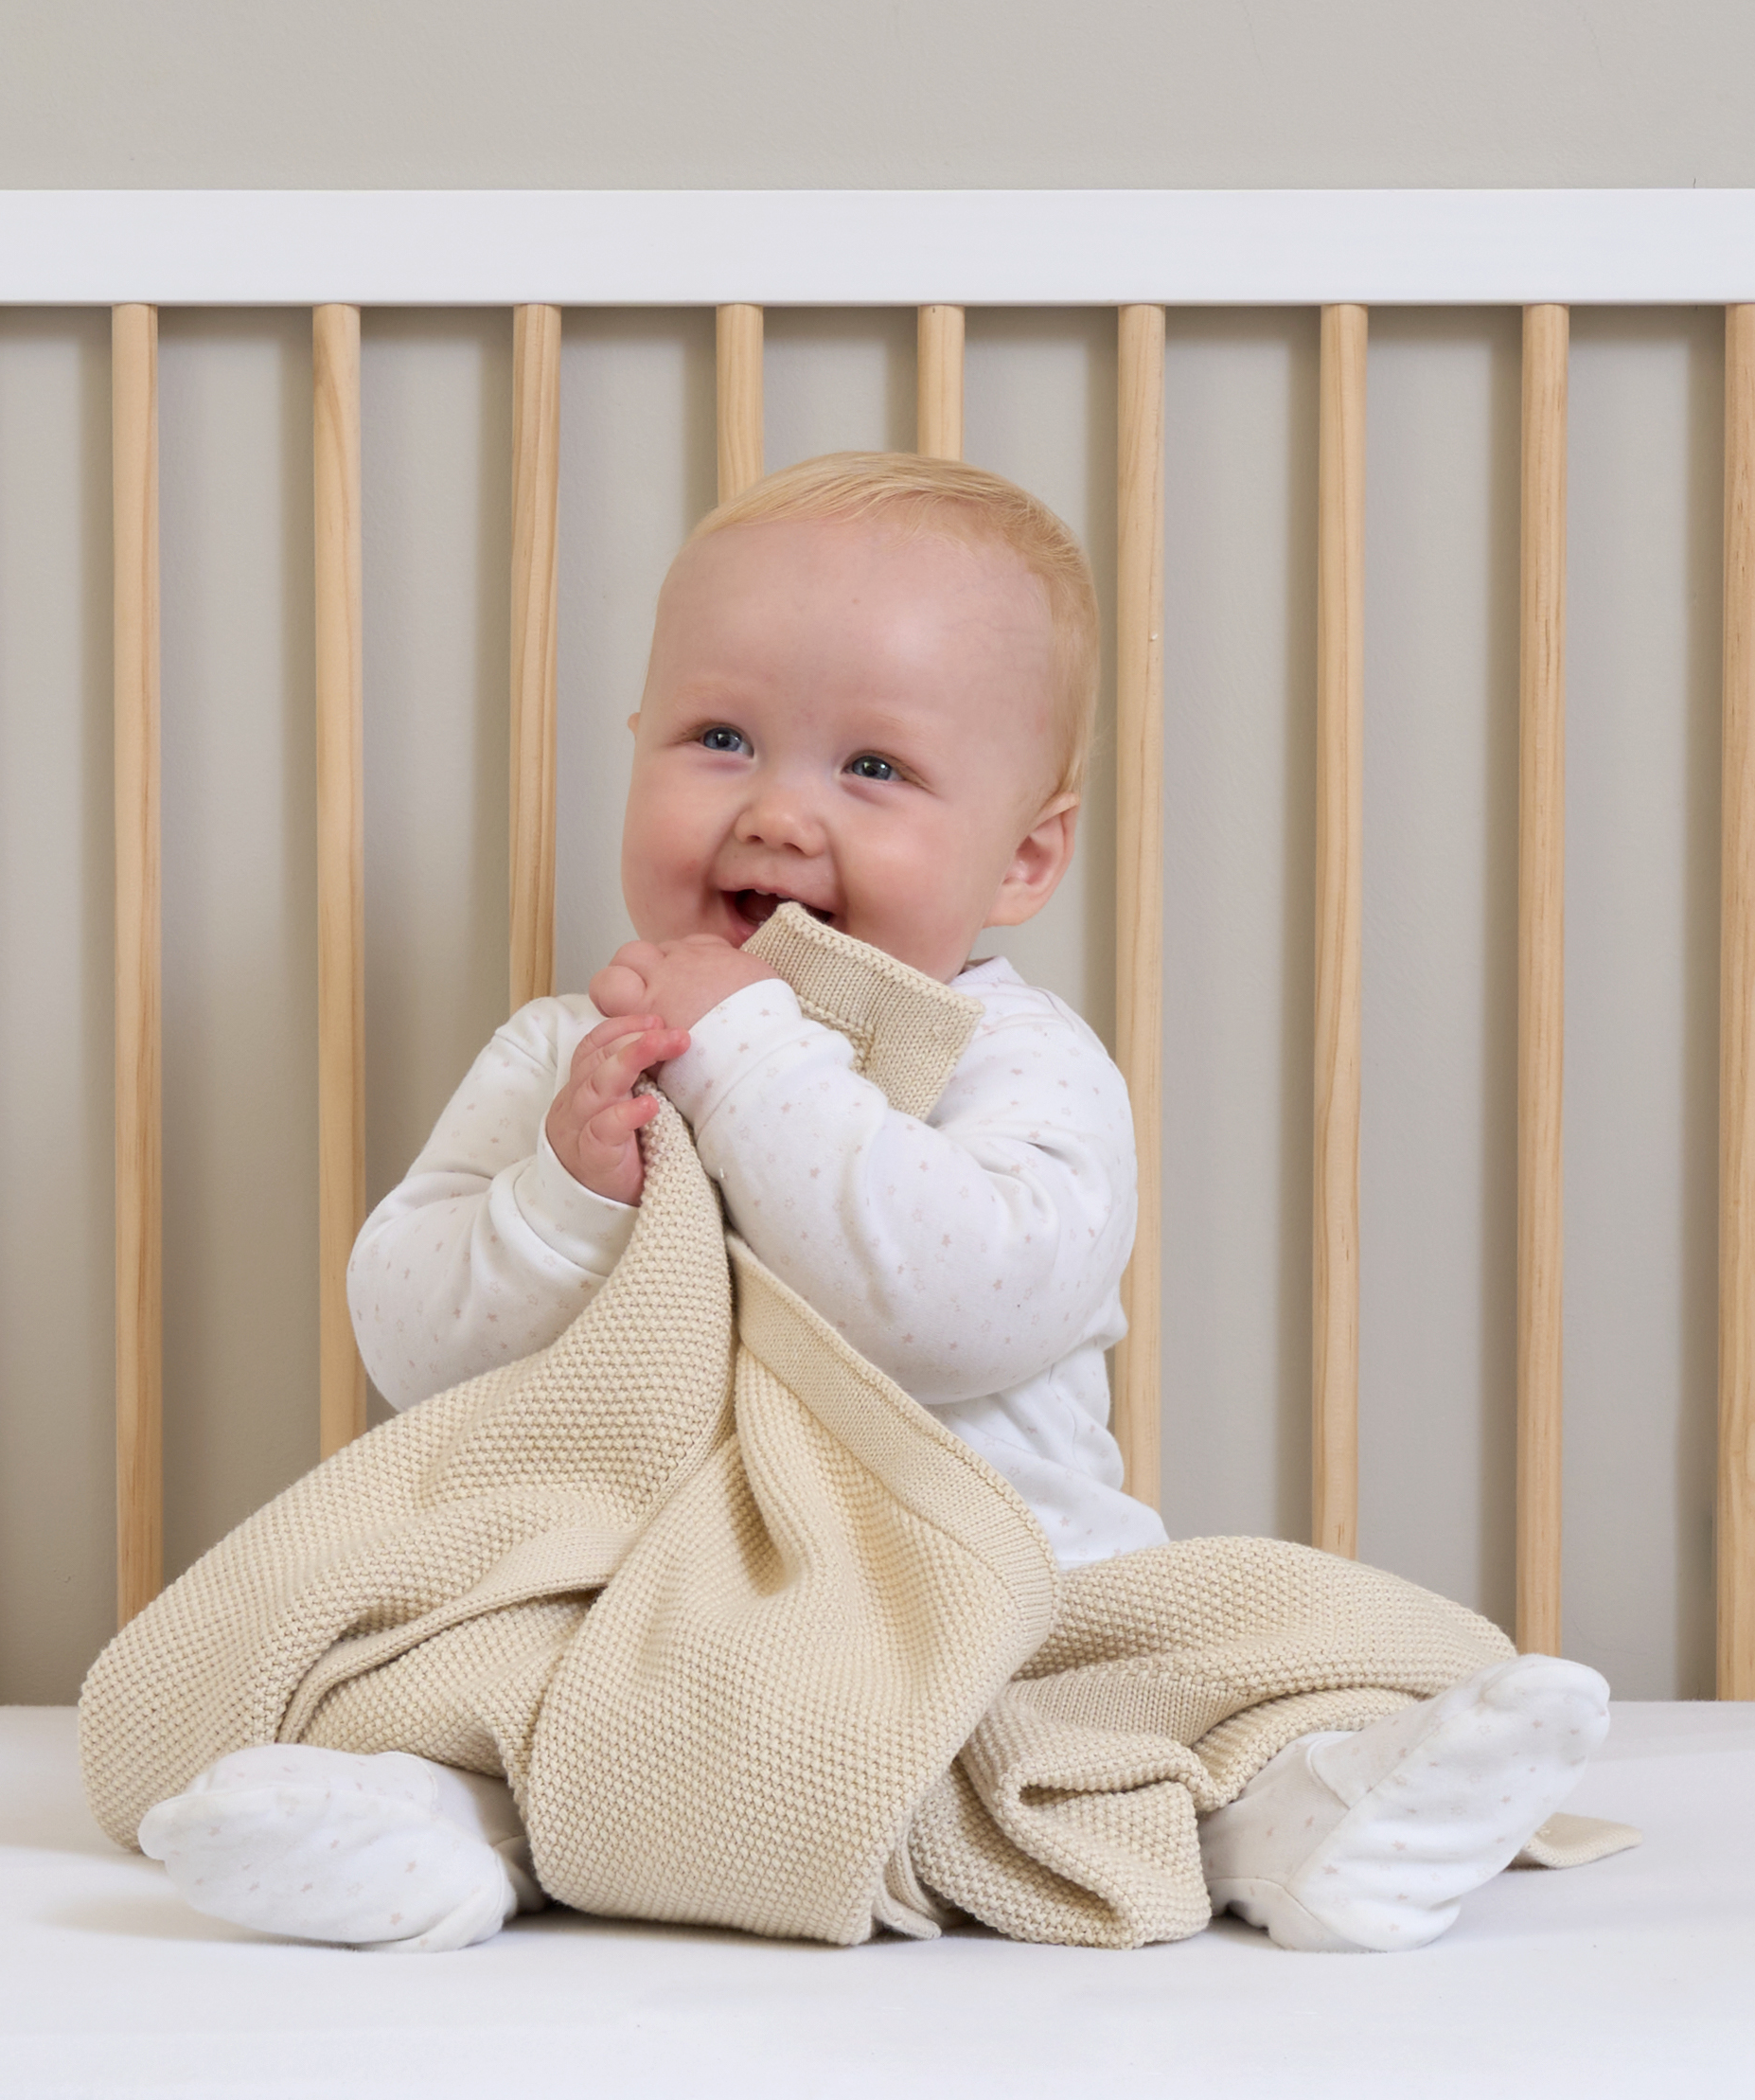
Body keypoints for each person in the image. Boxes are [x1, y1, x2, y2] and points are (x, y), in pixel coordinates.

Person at [137, 452, 1610, 1953]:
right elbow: (411, 1343)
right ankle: (423, 1825)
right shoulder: (559, 1052)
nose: (778, 812)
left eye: (873, 769)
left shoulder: (1012, 1065)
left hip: (984, 1599)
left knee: (1211, 1658)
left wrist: (747, 1052)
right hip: (634, 1608)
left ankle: (1304, 1815)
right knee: (440, 1660)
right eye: (720, 737)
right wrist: (559, 1197)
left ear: (1025, 855)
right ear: (634, 748)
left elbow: (962, 1305)